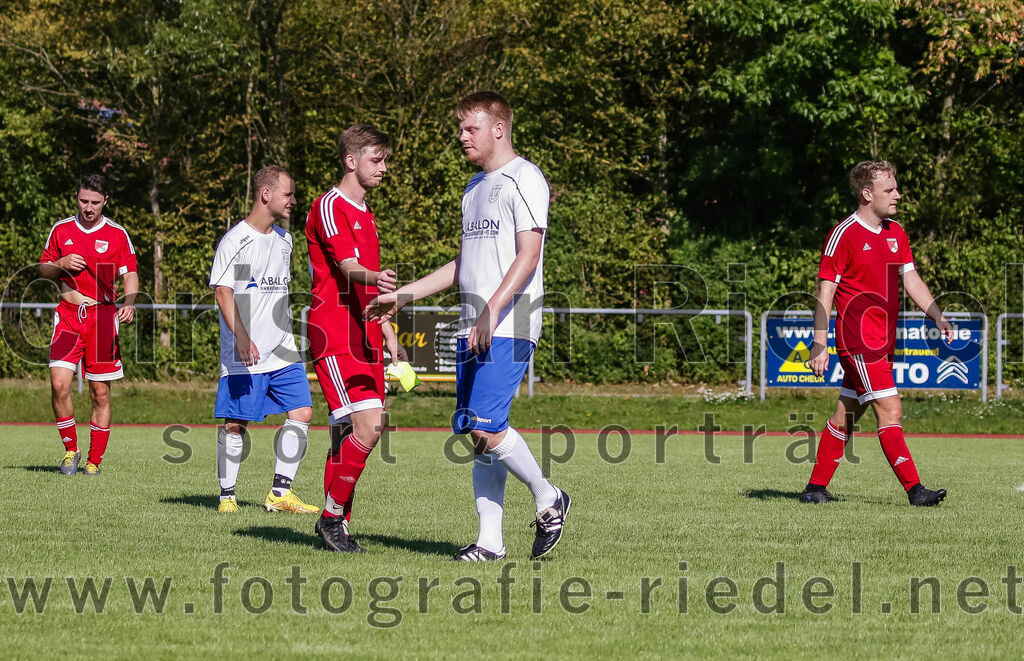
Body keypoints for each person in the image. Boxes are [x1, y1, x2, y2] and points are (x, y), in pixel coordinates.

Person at [366, 91, 570, 560]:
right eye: (460, 128)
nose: (461, 136)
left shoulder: (525, 179)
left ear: (498, 129)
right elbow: (464, 264)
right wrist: (403, 295)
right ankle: (490, 543)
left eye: (469, 128)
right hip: (472, 325)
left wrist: (493, 307)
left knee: (485, 424)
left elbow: (529, 253)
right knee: (477, 435)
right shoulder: (473, 189)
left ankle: (548, 497)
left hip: (510, 321)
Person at [803, 160, 952, 506]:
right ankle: (916, 491)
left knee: (846, 414)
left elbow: (911, 278)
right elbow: (825, 293)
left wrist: (937, 315)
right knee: (890, 409)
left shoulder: (896, 232)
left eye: (896, 188)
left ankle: (814, 489)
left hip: (884, 343)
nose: (898, 195)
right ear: (867, 194)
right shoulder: (843, 235)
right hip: (859, 341)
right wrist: (819, 343)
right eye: (890, 190)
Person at [305, 124, 407, 553]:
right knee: (369, 425)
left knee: (349, 431)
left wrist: (387, 331)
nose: (383, 167)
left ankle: (338, 523)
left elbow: (368, 290)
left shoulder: (367, 214)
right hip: (334, 330)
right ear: (351, 161)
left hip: (364, 331)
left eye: (384, 159)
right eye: (376, 159)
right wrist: (377, 277)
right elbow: (348, 269)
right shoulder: (330, 205)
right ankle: (331, 520)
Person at [209, 166, 318, 515]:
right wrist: (241, 335)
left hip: (283, 346)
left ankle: (280, 494)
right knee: (236, 422)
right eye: (288, 194)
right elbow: (224, 292)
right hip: (245, 349)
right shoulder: (235, 240)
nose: (293, 201)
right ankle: (227, 496)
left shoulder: (285, 240)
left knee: (302, 411)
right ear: (266, 195)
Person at [39, 174, 139, 476]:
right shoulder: (61, 230)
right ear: (77, 198)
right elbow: (43, 271)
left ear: (105, 201)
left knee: (100, 394)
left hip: (103, 319)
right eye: (84, 201)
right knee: (59, 385)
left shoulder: (118, 234)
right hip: (69, 315)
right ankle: (71, 451)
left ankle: (94, 461)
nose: (88, 207)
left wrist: (129, 302)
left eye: (95, 202)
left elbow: (129, 273)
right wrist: (61, 263)